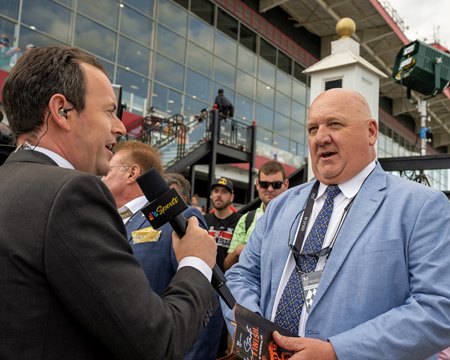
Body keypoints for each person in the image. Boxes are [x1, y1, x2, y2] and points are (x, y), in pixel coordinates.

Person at [0, 46, 218, 360]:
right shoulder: (72, 194)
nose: (120, 126)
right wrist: (197, 262)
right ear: (62, 111)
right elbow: (159, 342)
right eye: (108, 111)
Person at [221, 88, 450, 359]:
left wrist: (337, 352)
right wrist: (255, 332)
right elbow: (241, 276)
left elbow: (437, 309)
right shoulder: (280, 206)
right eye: (312, 128)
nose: (320, 137)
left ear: (371, 132)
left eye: (335, 124)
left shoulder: (421, 206)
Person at [102, 142, 222, 360]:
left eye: (108, 171)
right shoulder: (106, 219)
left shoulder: (177, 215)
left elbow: (206, 299)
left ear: (132, 173)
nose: (102, 177)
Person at [223, 160, 289, 271]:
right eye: (264, 184)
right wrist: (237, 252)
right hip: (251, 286)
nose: (270, 189)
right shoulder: (246, 220)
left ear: (285, 184)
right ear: (257, 184)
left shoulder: (297, 217)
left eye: (276, 185)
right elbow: (227, 265)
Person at [204, 177, 242, 358]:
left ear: (231, 196)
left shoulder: (239, 221)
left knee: (225, 339)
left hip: (228, 287)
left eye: (224, 191)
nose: (219, 195)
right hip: (205, 285)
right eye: (216, 191)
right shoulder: (203, 220)